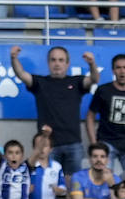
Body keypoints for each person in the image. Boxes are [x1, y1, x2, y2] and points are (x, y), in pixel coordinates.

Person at [9, 45, 99, 179]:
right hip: (47, 145)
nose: (57, 64)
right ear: (48, 63)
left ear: (67, 64)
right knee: (47, 184)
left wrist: (92, 64)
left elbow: (94, 79)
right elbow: (21, 74)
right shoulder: (40, 82)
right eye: (53, 60)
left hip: (73, 143)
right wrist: (13, 58)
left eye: (61, 60)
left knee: (73, 188)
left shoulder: (76, 82)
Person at [85, 53, 125, 170]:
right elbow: (90, 116)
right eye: (118, 67)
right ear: (113, 70)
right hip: (106, 143)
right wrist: (94, 143)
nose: (122, 71)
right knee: (104, 178)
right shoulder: (103, 90)